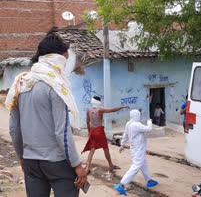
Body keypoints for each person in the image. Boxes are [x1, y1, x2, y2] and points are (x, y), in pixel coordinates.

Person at [6, 34, 87, 197]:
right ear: (58, 58)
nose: (64, 66)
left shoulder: (20, 83)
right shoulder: (56, 85)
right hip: (57, 162)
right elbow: (62, 132)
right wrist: (77, 165)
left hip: (31, 162)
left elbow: (14, 129)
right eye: (65, 59)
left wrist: (22, 156)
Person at [114, 109, 158, 195]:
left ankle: (149, 180)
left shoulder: (129, 123)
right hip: (139, 148)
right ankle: (122, 184)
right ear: (137, 115)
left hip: (134, 148)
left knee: (143, 164)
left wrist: (122, 144)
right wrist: (149, 122)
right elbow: (148, 129)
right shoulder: (136, 124)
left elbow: (125, 134)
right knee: (136, 166)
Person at [82, 96, 129, 174]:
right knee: (105, 148)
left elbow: (87, 122)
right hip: (99, 131)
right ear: (98, 102)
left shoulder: (88, 110)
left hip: (92, 131)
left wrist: (89, 132)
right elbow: (112, 110)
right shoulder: (100, 110)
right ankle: (110, 165)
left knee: (92, 150)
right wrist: (122, 106)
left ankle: (87, 169)